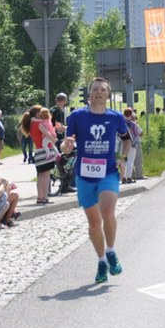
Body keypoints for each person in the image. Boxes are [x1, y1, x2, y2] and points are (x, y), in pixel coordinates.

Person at [61, 76, 132, 284]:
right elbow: (67, 144)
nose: (99, 92)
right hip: (84, 175)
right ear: (89, 94)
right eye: (95, 89)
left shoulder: (116, 117)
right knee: (94, 222)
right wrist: (67, 145)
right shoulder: (77, 116)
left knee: (108, 211)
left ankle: (111, 251)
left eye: (102, 89)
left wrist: (122, 158)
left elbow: (127, 140)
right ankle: (101, 261)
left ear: (108, 95)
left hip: (108, 172)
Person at [21, 105, 58, 204]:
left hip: (38, 151)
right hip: (45, 151)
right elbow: (48, 135)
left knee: (41, 176)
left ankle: (40, 197)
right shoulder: (39, 124)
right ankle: (45, 197)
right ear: (37, 114)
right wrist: (54, 138)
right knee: (46, 177)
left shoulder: (32, 124)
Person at [121, 107, 143, 183]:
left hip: (122, 145)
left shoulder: (121, 124)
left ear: (124, 114)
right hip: (132, 144)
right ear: (131, 115)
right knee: (130, 161)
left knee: (123, 160)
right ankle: (129, 177)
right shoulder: (133, 124)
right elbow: (137, 134)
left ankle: (123, 177)